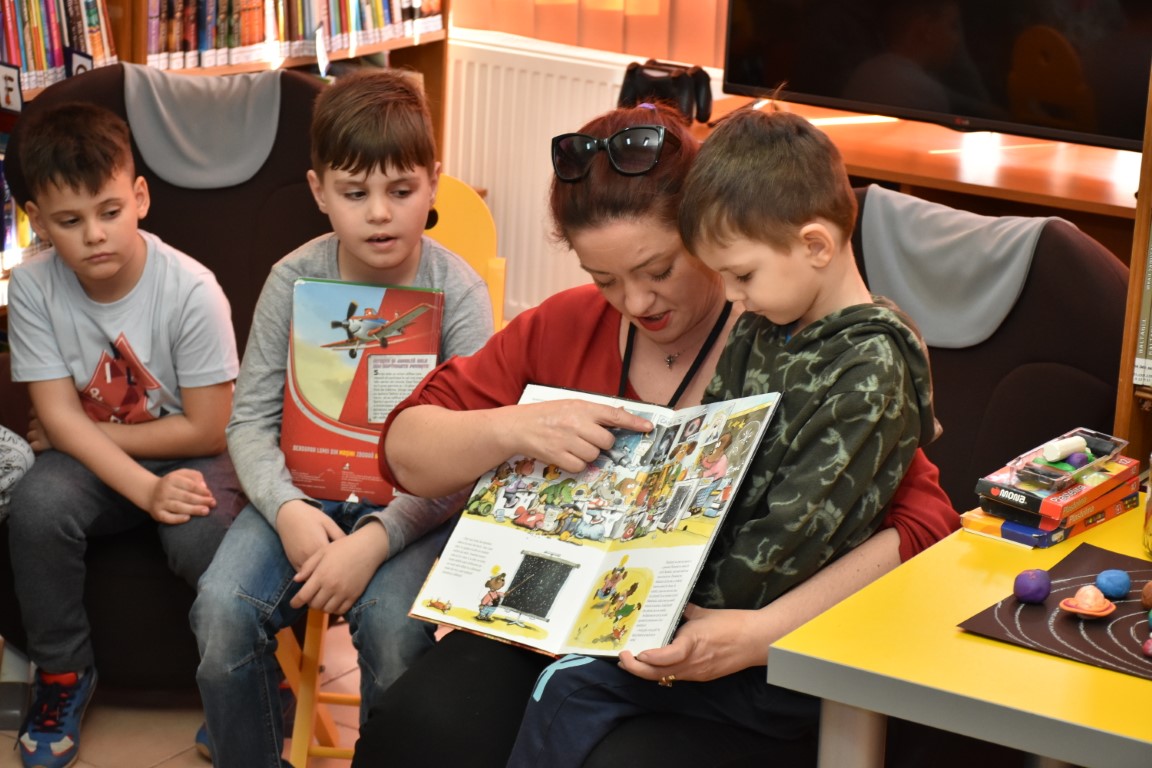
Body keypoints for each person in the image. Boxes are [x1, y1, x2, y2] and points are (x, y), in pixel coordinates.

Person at [351, 102, 958, 768]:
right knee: (420, 728)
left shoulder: (787, 336)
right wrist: (514, 426)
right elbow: (403, 452)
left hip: (726, 653)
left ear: (705, 232)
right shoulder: (569, 325)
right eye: (604, 280)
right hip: (559, 634)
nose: (636, 302)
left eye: (660, 270)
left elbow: (926, 524)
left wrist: (760, 635)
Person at [189, 68, 494, 768]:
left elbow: (473, 453)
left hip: (413, 511)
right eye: (355, 193)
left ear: (434, 184)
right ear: (319, 191)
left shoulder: (457, 292)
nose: (379, 214)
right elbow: (248, 423)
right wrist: (288, 509)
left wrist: (380, 538)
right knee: (222, 612)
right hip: (301, 496)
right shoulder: (292, 279)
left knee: (393, 631)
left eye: (401, 191)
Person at [5, 102, 244, 768]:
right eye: (69, 222)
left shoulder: (192, 290)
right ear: (36, 221)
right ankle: (62, 674)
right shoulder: (32, 288)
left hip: (188, 451)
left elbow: (208, 428)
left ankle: (253, 673)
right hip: (98, 461)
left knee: (201, 530)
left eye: (109, 212)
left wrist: (84, 433)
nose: (94, 236)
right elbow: (56, 421)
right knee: (36, 507)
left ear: (139, 197)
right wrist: (141, 486)